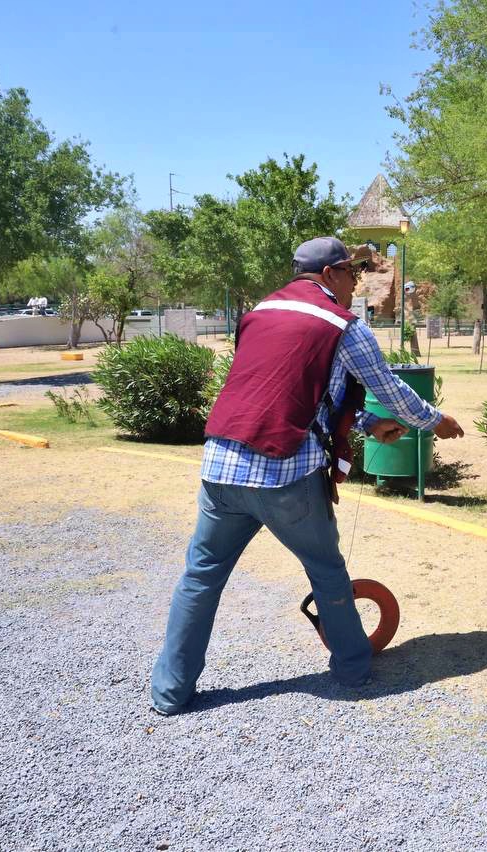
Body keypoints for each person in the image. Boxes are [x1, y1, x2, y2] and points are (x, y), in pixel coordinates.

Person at [151, 236, 465, 714]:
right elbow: (388, 387)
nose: (355, 284)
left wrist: (363, 422)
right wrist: (433, 419)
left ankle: (169, 693)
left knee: (201, 576)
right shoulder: (344, 325)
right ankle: (354, 669)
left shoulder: (258, 313)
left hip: (221, 465)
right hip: (284, 474)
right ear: (330, 274)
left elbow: (290, 391)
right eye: (352, 275)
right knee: (327, 571)